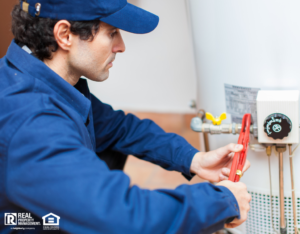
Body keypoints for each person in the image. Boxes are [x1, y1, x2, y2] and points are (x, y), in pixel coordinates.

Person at [0, 0, 251, 233]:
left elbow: (120, 128)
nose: (121, 46)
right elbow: (122, 217)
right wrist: (222, 202)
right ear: (65, 35)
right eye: (112, 33)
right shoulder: (32, 122)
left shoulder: (42, 79)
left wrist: (193, 159)